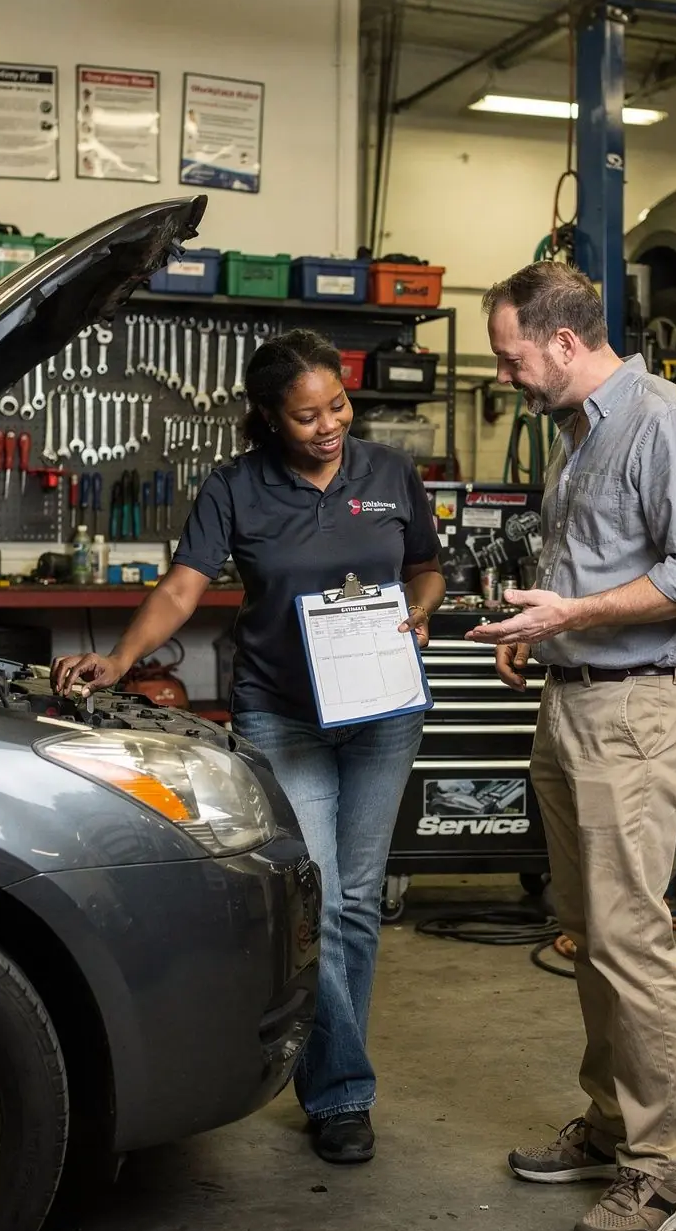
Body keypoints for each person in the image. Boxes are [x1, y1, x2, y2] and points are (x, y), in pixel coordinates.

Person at [51, 328, 445, 1165]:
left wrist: (419, 610)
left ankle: (336, 1079)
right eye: (306, 416)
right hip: (282, 713)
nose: (329, 425)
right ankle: (343, 1092)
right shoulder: (235, 486)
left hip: (381, 712)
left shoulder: (389, 473)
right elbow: (182, 587)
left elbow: (427, 565)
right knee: (322, 900)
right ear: (268, 417)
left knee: (358, 901)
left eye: (338, 405)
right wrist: (119, 659)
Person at [467, 262, 676, 1231]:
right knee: (587, 930)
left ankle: (660, 1170)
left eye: (511, 357)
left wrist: (569, 615)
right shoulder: (579, 433)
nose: (504, 375)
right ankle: (612, 1124)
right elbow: (588, 566)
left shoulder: (668, 425)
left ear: (564, 343)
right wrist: (538, 634)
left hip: (637, 712)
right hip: (573, 701)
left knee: (630, 941)